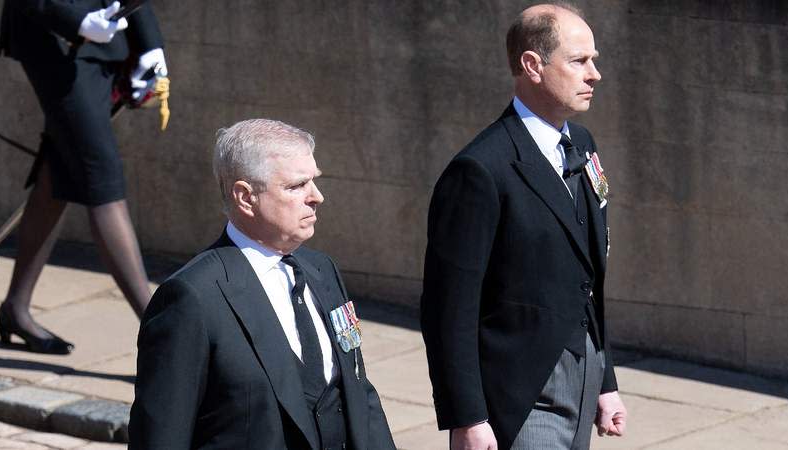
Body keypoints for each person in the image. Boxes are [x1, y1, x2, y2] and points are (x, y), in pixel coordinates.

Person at [420, 3, 627, 449]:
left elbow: (587, 278)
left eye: (594, 60)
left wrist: (604, 378)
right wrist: (467, 418)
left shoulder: (582, 144)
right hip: (522, 393)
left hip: (583, 371)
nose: (595, 74)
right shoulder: (480, 170)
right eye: (578, 61)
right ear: (532, 65)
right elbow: (448, 309)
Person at [129, 119, 396, 450]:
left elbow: (357, 391)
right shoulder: (193, 297)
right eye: (296, 186)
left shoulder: (321, 270)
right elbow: (162, 436)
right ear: (245, 197)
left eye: (314, 181)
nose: (317, 197)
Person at [0, 0, 167, 354]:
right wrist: (75, 21)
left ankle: (15, 306)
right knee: (102, 179)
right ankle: (166, 333)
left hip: (107, 37)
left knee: (59, 169)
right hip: (53, 38)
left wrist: (150, 42)